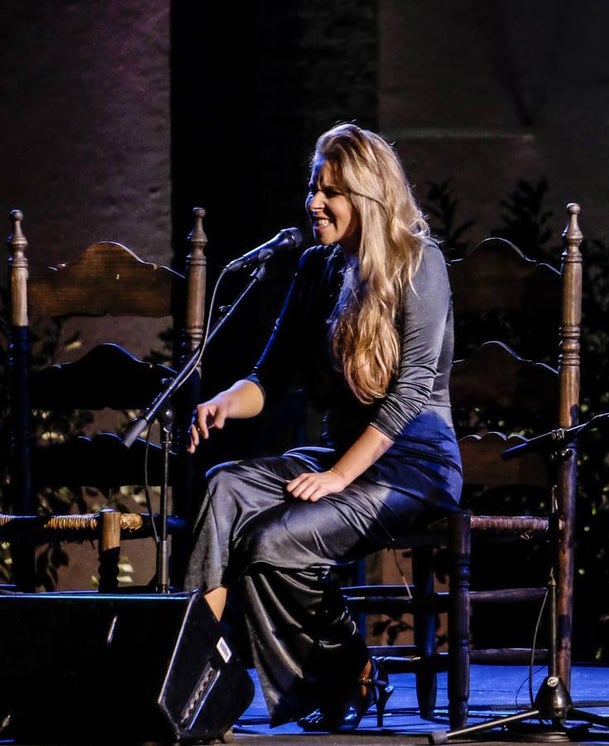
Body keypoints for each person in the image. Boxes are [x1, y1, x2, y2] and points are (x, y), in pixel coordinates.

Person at [184, 122, 462, 732]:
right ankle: (194, 672)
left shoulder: (420, 264)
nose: (314, 202)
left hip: (413, 465)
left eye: (330, 192)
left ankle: (346, 668)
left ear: (366, 197)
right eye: (314, 187)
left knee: (271, 541)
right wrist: (228, 400)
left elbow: (413, 389)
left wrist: (338, 475)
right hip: (343, 455)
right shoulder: (315, 269)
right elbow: (269, 376)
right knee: (225, 486)